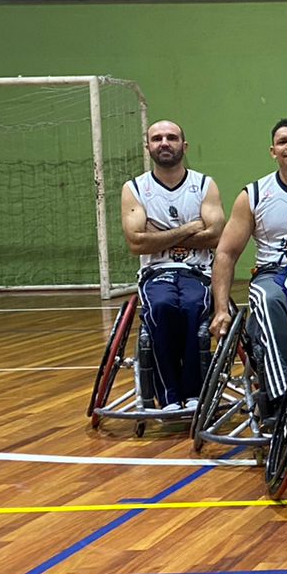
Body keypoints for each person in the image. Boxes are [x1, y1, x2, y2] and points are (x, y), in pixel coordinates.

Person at [209, 117, 287, 410]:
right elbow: (225, 253)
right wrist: (219, 310)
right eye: (283, 142)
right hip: (272, 273)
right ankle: (282, 396)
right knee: (267, 298)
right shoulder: (253, 194)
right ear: (272, 151)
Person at [120, 120, 225, 412]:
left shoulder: (204, 184)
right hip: (156, 272)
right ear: (148, 147)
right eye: (157, 138)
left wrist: (158, 233)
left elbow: (215, 236)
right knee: (162, 306)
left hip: (197, 272)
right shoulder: (135, 188)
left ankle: (193, 393)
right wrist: (190, 228)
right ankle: (168, 396)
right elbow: (136, 243)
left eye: (171, 137)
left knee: (193, 306)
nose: (164, 143)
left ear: (184, 145)